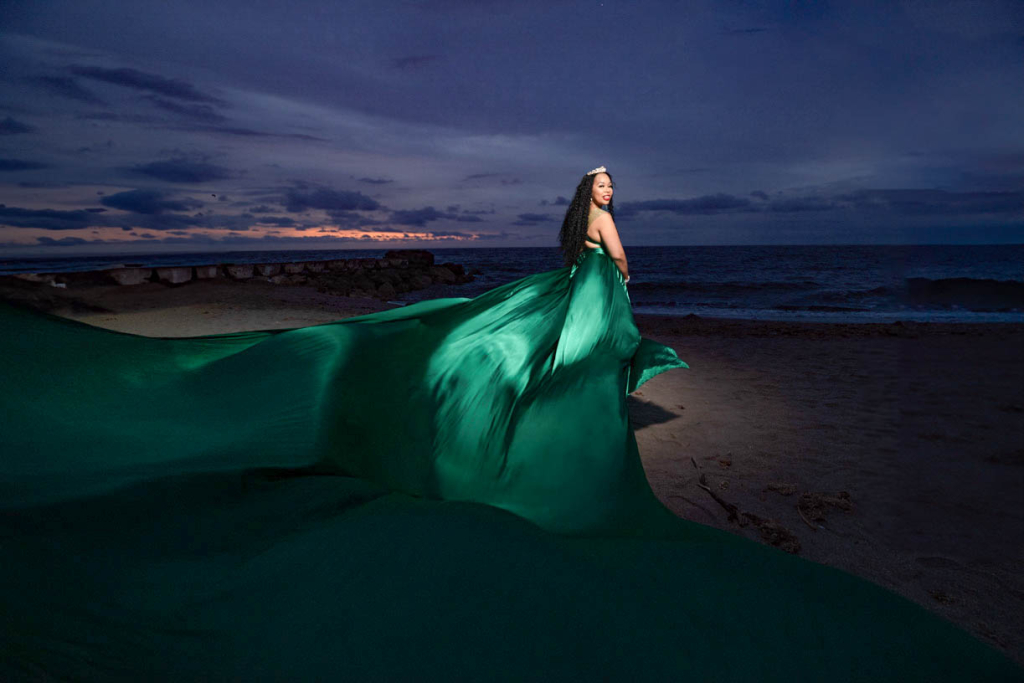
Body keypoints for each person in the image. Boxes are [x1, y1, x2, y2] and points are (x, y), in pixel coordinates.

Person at [0, 167, 1020, 681]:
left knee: (573, 366)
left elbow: (595, 267)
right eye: (606, 188)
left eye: (613, 189)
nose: (611, 196)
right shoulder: (596, 228)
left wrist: (602, 290)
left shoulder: (577, 221)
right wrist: (609, 286)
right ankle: (537, 434)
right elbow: (608, 269)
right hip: (585, 300)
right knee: (566, 371)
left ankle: (548, 414)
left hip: (583, 299)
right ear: (594, 196)